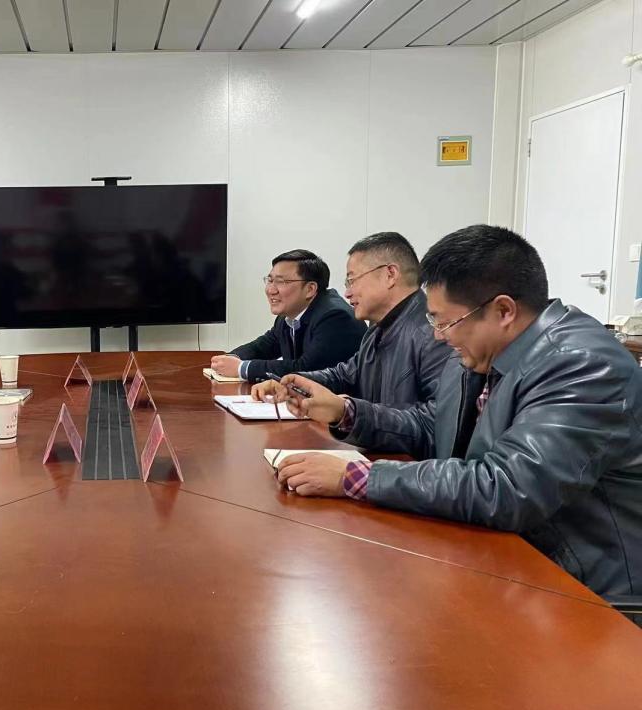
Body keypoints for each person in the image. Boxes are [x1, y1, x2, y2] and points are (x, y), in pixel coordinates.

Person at [270, 225, 642, 600]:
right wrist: (347, 412)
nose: (437, 335)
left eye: (444, 321)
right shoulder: (481, 353)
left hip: (588, 594)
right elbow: (431, 426)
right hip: (505, 556)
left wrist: (358, 478)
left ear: (503, 311)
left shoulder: (582, 364)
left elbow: (509, 487)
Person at [251, 233, 449, 419]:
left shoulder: (434, 333)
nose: (347, 293)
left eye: (352, 280)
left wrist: (349, 414)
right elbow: (344, 375)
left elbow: (434, 424)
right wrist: (291, 383)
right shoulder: (378, 329)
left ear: (390, 274)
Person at [210, 249, 365, 382]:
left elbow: (306, 369)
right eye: (270, 280)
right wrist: (231, 358)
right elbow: (264, 346)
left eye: (281, 282)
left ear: (310, 289)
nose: (271, 290)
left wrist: (241, 368)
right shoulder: (289, 314)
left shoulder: (334, 317)